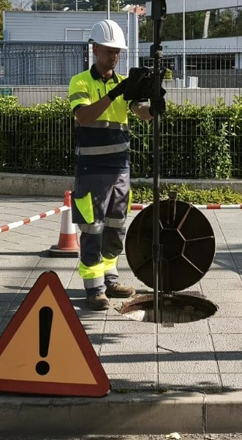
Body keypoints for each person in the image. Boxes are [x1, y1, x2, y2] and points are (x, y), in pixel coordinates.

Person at [68, 20, 153, 310]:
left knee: (116, 226)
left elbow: (140, 112)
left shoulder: (122, 83)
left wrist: (154, 106)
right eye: (109, 51)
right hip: (92, 171)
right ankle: (94, 289)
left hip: (120, 169)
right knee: (92, 228)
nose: (114, 56)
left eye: (117, 52)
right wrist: (114, 94)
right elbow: (84, 117)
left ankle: (110, 279)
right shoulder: (81, 82)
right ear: (95, 49)